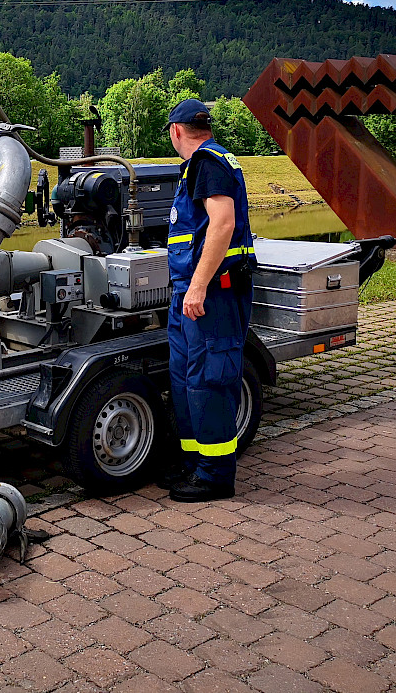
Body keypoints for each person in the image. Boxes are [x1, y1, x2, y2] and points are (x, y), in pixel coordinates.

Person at [162, 98, 256, 503]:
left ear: (176, 131)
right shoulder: (203, 164)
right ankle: (194, 464)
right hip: (190, 292)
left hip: (211, 293)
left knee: (210, 379)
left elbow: (223, 223)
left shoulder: (207, 163)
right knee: (186, 378)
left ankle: (216, 475)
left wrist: (199, 284)